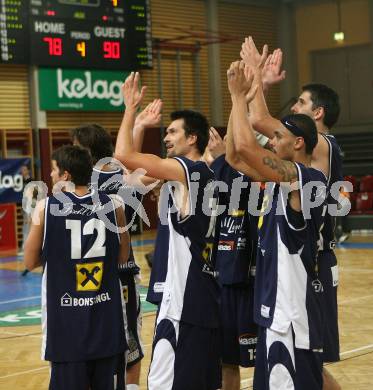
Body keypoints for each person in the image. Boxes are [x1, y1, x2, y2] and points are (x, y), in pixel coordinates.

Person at [240, 36, 343, 390]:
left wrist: (254, 81)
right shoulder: (301, 148)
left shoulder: (322, 146)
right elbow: (259, 121)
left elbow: (259, 124)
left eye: (300, 102)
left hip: (311, 263)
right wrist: (257, 82)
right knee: (309, 363)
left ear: (317, 114)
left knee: (306, 358)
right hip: (299, 254)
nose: (293, 106)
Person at [115, 72, 221, 390]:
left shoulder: (190, 170)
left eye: (173, 132)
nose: (166, 138)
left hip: (185, 302)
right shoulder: (198, 173)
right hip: (195, 296)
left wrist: (130, 109)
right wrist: (137, 128)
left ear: (192, 139)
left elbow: (123, 158)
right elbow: (128, 180)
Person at [226, 61, 327, 389]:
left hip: (292, 315)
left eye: (278, 136)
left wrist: (240, 97)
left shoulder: (306, 178)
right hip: (273, 310)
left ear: (298, 143)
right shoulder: (279, 180)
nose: (271, 142)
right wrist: (235, 102)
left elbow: (245, 147)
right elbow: (234, 157)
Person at [71, 100, 161, 390]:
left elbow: (127, 163)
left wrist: (136, 123)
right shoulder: (112, 177)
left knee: (119, 350)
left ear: (85, 152)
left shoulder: (78, 186)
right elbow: (130, 165)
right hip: (113, 276)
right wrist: (136, 125)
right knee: (127, 352)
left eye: (75, 148)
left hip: (100, 277)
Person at [24, 145, 130, 390]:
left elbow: (30, 262)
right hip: (107, 322)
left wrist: (58, 258)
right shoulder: (114, 206)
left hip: (66, 326)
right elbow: (122, 257)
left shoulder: (45, 207)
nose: (50, 175)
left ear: (66, 175)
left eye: (53, 169)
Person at [207, 127, 258, 390]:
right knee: (226, 363)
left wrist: (220, 159)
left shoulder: (252, 176)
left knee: (263, 361)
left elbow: (242, 188)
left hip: (248, 285)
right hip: (219, 282)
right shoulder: (209, 178)